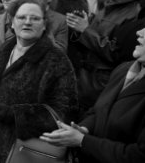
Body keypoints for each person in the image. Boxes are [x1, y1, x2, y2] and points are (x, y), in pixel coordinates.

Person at [0, 0, 78, 163]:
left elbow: (63, 112)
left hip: (23, 152)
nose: (27, 22)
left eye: (35, 18)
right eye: (21, 17)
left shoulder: (56, 60)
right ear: (12, 23)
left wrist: (15, 115)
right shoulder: (2, 52)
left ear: (44, 25)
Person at [40, 26, 145, 163]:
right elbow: (98, 111)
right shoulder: (123, 69)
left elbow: (138, 155)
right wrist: (84, 128)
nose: (139, 32)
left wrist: (82, 141)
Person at [65, 0, 141, 115]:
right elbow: (91, 40)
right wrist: (79, 27)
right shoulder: (107, 6)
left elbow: (117, 54)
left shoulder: (135, 13)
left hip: (102, 85)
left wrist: (85, 30)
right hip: (84, 81)